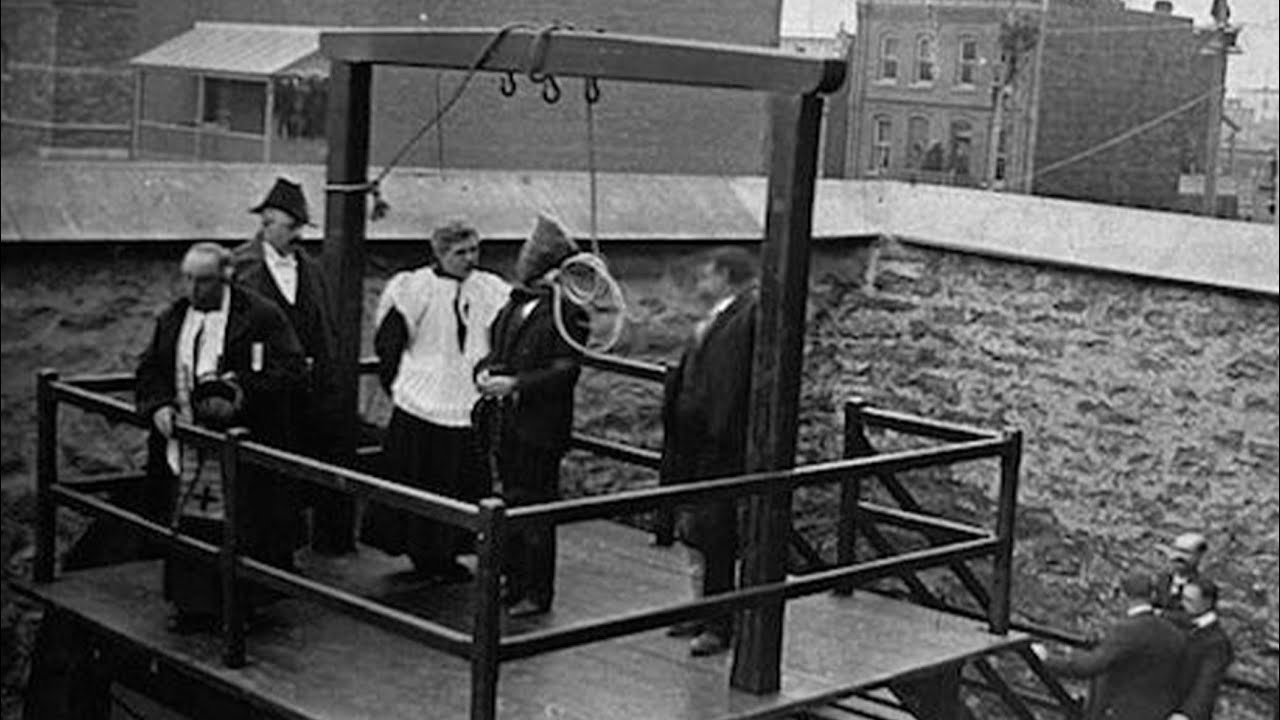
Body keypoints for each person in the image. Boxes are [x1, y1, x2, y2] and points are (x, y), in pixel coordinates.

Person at [134, 242, 306, 629]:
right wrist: (159, 405)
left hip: (241, 444)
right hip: (187, 441)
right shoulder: (174, 318)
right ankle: (191, 605)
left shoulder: (259, 315)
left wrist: (241, 388)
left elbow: (292, 369)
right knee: (190, 523)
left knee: (239, 525)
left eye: (204, 281)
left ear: (226, 276)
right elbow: (150, 370)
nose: (193, 289)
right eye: (188, 279)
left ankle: (238, 610)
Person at [361, 220, 510, 581]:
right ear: (440, 254)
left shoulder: (489, 288)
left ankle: (449, 553)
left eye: (474, 250)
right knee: (421, 479)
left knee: (461, 481)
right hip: (421, 401)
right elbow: (389, 344)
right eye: (460, 253)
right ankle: (423, 554)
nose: (470, 259)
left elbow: (505, 333)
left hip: (466, 399)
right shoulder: (414, 288)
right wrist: (401, 384)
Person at [232, 177, 354, 555]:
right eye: (266, 223)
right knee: (265, 475)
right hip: (263, 389)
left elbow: (324, 327)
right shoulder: (241, 266)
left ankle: (300, 551)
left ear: (297, 228)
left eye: (280, 224)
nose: (270, 231)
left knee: (305, 469)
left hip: (305, 391)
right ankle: (263, 556)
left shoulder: (310, 269)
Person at [474, 214, 589, 618]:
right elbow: (495, 351)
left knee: (537, 510)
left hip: (540, 428)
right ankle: (514, 580)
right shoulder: (513, 305)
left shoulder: (567, 312)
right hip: (507, 423)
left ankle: (537, 592)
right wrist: (485, 372)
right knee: (510, 502)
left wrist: (518, 384)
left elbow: (566, 370)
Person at [660, 246, 759, 657]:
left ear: (724, 275)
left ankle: (718, 624)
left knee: (716, 534)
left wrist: (718, 436)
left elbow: (732, 383)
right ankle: (702, 609)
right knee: (697, 530)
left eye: (708, 275)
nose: (702, 282)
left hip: (718, 446)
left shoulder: (746, 315)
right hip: (697, 442)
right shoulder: (721, 315)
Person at [1033, 572, 1186, 720]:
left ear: (1123, 596)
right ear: (1152, 595)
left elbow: (1090, 666)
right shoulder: (1172, 630)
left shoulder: (1127, 631)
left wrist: (1047, 659)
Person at [1169, 580, 1234, 720]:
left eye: (1189, 600)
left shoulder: (1217, 642)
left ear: (1207, 602)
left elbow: (1207, 683)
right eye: (1183, 598)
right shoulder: (1181, 622)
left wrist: (1187, 714)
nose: (1182, 603)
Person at [1154, 532, 1209, 615]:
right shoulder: (1160, 581)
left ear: (1199, 555)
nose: (1178, 556)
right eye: (1176, 550)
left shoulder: (1203, 587)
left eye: (1185, 552)